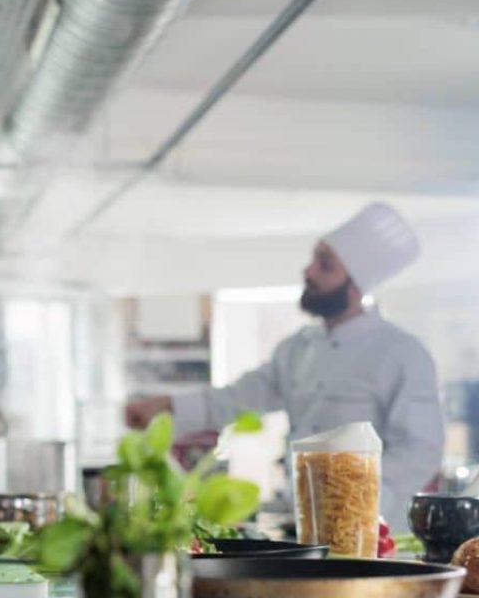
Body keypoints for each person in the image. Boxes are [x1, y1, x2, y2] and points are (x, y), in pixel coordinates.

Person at [125, 202, 445, 532]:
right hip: (306, 520)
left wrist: (352, 497)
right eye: (313, 260)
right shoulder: (298, 348)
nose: (308, 272)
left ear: (355, 286)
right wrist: (165, 407)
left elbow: (421, 450)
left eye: (325, 265)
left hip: (374, 529)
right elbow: (238, 399)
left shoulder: (403, 354)